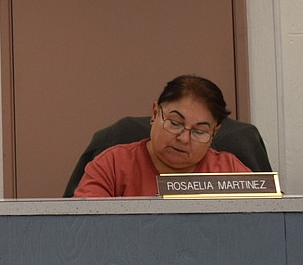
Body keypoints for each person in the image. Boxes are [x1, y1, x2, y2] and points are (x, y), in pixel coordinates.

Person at [74, 74, 251, 197]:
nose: (184, 139)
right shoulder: (111, 166)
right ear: (154, 114)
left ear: (214, 133)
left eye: (199, 131)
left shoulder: (230, 172)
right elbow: (85, 232)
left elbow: (267, 225)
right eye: (175, 123)